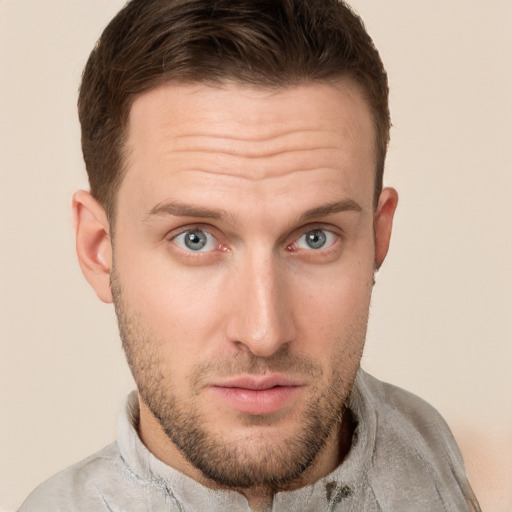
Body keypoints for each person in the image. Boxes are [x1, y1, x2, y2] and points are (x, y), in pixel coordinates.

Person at [19, 0, 481, 510]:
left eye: (315, 238)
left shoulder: (425, 441)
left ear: (378, 235)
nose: (264, 333)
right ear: (99, 249)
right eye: (195, 238)